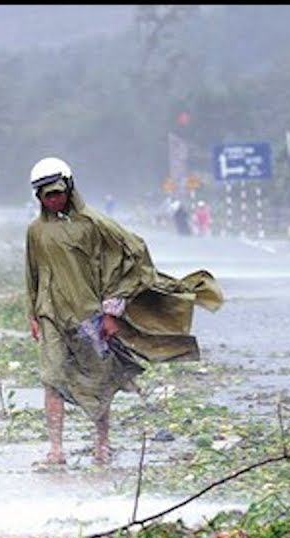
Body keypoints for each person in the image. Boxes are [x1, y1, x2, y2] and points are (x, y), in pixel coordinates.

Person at [24, 157, 224, 467]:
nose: (52, 199)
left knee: (101, 379)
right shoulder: (35, 231)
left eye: (57, 192)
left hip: (90, 316)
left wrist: (112, 310)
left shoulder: (94, 224)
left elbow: (134, 255)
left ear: (69, 188)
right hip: (51, 314)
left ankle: (102, 444)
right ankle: (56, 449)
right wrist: (32, 315)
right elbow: (32, 273)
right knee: (51, 378)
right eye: (45, 195)